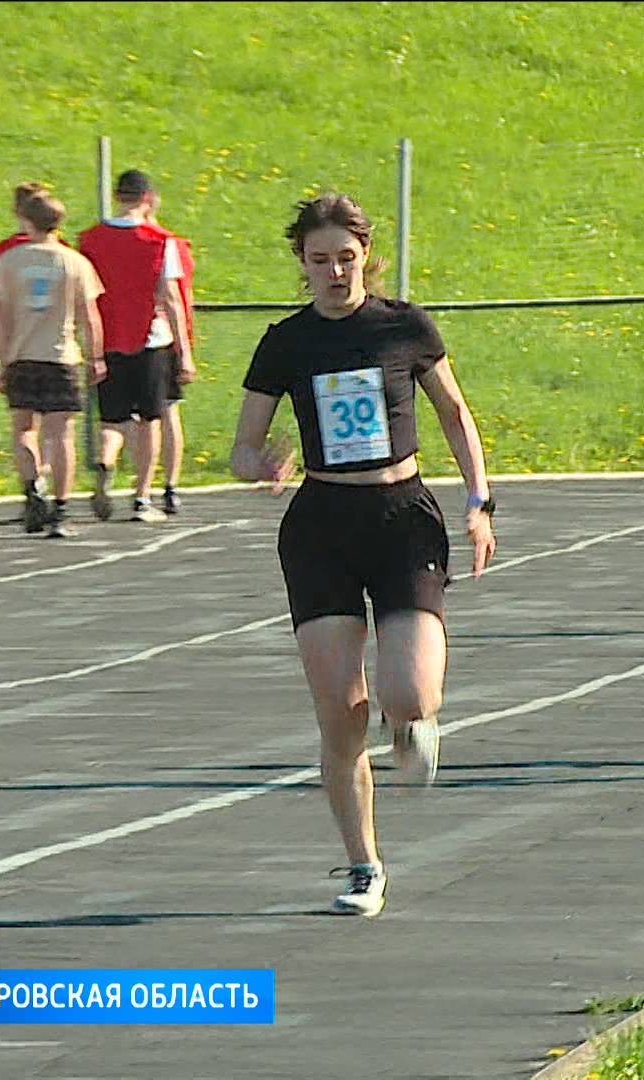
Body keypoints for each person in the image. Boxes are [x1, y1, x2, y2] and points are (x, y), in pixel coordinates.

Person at [231, 194, 497, 918]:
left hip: (402, 516)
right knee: (341, 716)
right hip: (321, 523)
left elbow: (453, 411)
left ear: (364, 256)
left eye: (346, 259)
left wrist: (479, 500)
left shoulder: (403, 325)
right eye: (320, 262)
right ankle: (363, 866)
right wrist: (262, 466)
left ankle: (413, 726)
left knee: (407, 698)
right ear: (303, 265)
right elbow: (241, 448)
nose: (335, 272)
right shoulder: (285, 342)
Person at [77, 169, 192, 524]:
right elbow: (171, 296)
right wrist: (185, 352)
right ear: (148, 198)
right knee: (149, 420)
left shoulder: (91, 239)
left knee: (113, 420)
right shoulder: (159, 241)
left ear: (117, 195)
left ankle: (107, 460)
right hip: (151, 339)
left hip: (109, 339)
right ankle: (142, 496)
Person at [0, 190, 105, 539]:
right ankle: (60, 508)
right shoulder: (75, 263)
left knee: (24, 429)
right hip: (61, 356)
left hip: (21, 356)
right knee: (60, 435)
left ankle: (32, 490)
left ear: (25, 220)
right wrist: (96, 355)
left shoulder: (8, 262)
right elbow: (90, 315)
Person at [0, 181, 48, 511]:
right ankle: (49, 486)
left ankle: (32, 485)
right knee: (55, 427)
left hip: (15, 351)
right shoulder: (63, 251)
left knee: (23, 428)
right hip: (54, 349)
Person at [148, 203, 195, 516]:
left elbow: (178, 296)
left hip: (144, 339)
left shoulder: (164, 245)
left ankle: (153, 487)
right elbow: (178, 298)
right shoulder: (165, 244)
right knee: (165, 414)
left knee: (141, 419)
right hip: (160, 338)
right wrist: (185, 347)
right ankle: (169, 485)